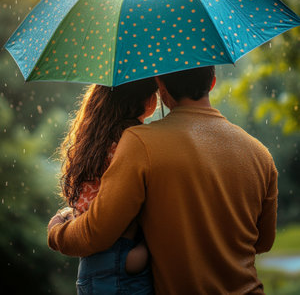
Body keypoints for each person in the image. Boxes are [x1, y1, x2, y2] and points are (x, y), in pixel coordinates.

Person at [48, 66, 278, 295]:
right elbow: (263, 242)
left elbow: (96, 233)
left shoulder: (140, 144)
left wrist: (56, 232)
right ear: (212, 83)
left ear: (161, 87)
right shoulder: (261, 155)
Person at [49, 78, 158, 295]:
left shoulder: (94, 142)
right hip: (120, 261)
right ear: (149, 101)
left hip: (89, 269)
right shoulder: (133, 141)